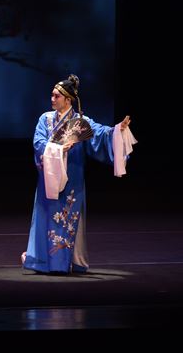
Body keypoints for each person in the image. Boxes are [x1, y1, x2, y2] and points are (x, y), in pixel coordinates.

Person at [22, 74, 135, 274]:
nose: (52, 99)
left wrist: (118, 130)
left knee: (68, 219)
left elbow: (101, 134)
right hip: (49, 177)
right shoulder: (45, 119)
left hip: (73, 178)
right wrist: (58, 149)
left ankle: (68, 262)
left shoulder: (81, 122)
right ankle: (41, 261)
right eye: (52, 95)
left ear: (68, 99)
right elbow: (38, 143)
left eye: (57, 96)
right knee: (45, 217)